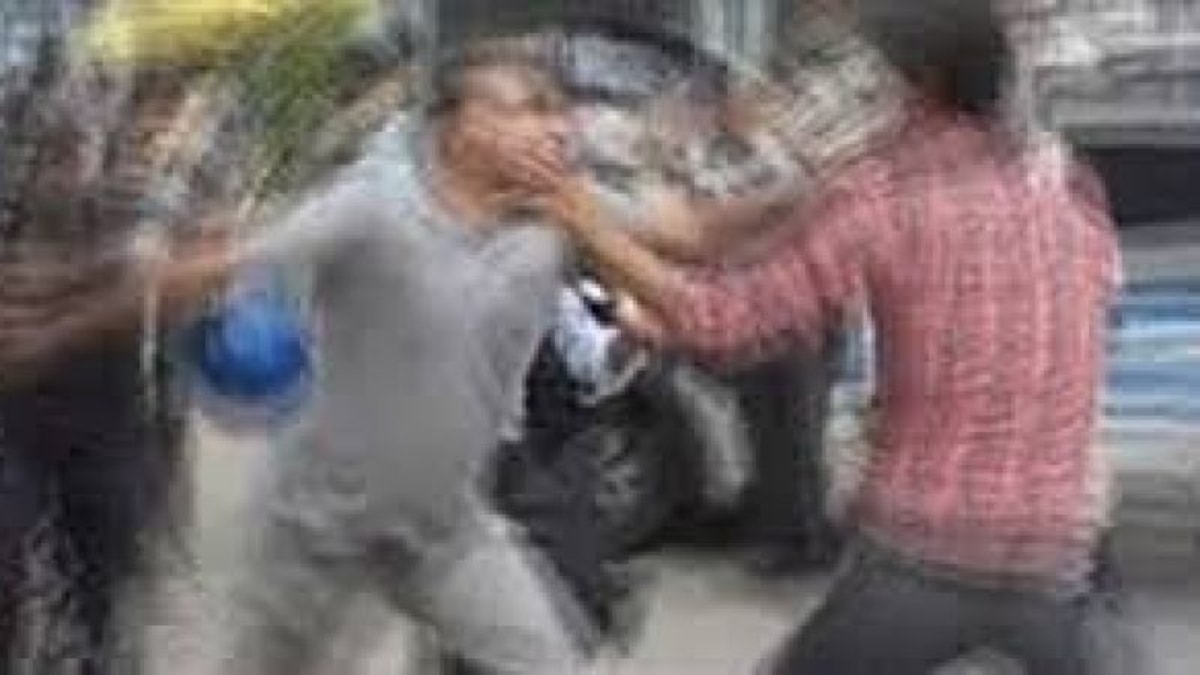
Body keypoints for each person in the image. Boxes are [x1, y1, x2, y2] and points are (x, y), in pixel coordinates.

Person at [519, 0, 1124, 673]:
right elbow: (1085, 328)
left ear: (917, 84)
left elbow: (722, 322)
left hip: (927, 548)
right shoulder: (1064, 189)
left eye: (876, 79)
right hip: (1058, 551)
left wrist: (587, 223)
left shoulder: (884, 197)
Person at [6, 44, 592, 674]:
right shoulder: (375, 207)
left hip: (445, 530)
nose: (555, 129)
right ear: (461, 125)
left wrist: (595, 222)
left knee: (548, 663)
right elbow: (212, 266)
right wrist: (58, 327)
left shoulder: (552, 221)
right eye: (527, 109)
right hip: (318, 527)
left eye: (556, 112)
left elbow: (666, 254)